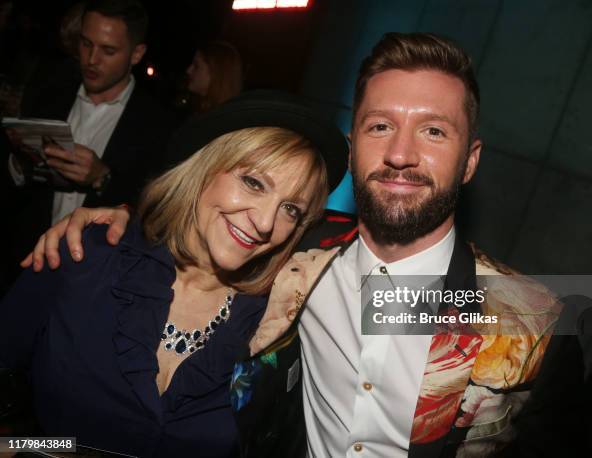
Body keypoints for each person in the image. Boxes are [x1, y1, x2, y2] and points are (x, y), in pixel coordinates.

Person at [21, 33, 583, 457]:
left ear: (471, 160)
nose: (401, 154)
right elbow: (210, 216)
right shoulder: (295, 252)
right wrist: (116, 214)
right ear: (354, 144)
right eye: (380, 126)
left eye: (434, 131)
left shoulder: (537, 324)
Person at [0, 91, 348, 456]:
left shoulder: (274, 327)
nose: (264, 222)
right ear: (204, 169)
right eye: (254, 183)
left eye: (290, 209)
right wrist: (44, 450)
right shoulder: (87, 255)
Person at [2, 0, 174, 291]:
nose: (91, 59)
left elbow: (157, 213)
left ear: (136, 54)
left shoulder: (157, 123)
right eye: (85, 44)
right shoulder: (49, 92)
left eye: (108, 50)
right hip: (24, 267)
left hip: (94, 280)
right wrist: (20, 164)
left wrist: (102, 178)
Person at [177, 40, 243, 117]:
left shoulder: (222, 118)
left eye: (196, 66)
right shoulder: (199, 110)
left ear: (215, 73)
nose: (188, 70)